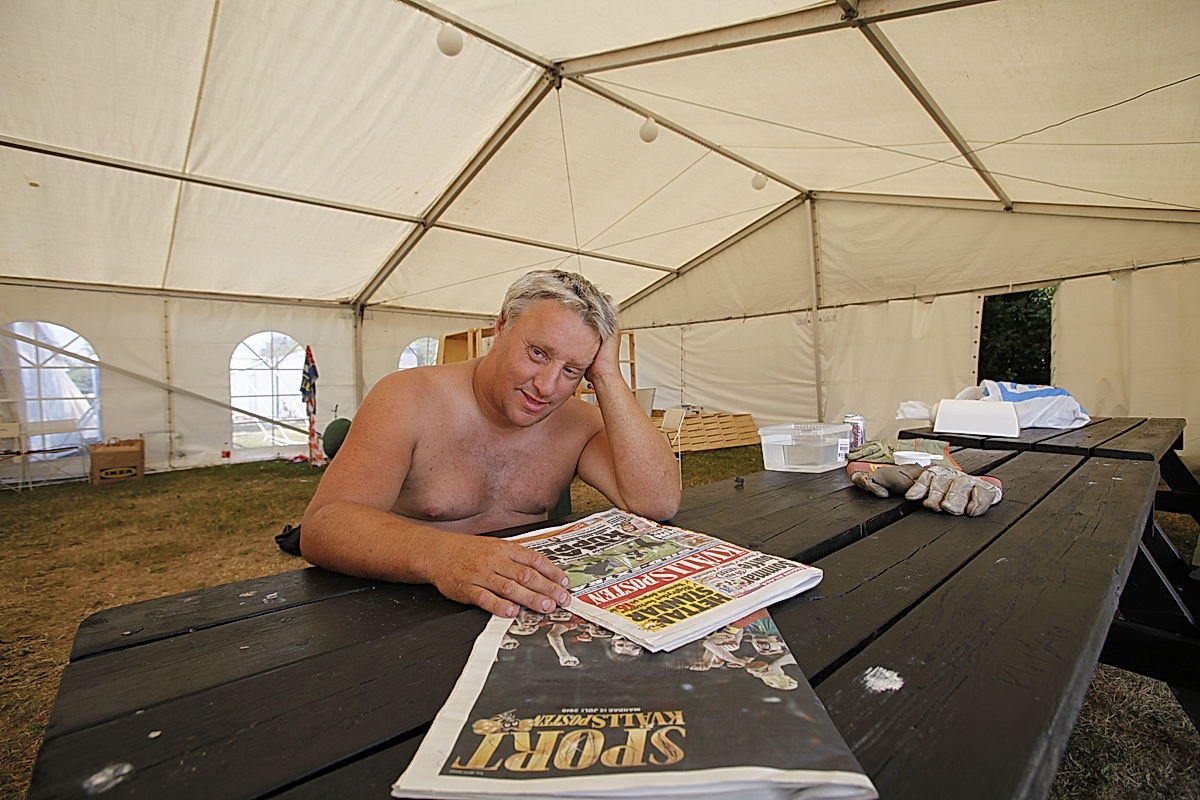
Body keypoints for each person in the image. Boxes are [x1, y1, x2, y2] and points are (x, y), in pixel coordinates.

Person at [300, 269, 681, 619]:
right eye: (537, 353)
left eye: (571, 370)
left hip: (526, 611)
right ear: (500, 328)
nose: (546, 388)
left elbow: (657, 502)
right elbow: (323, 526)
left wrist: (607, 375)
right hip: (409, 612)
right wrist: (442, 555)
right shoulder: (407, 398)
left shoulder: (577, 422)